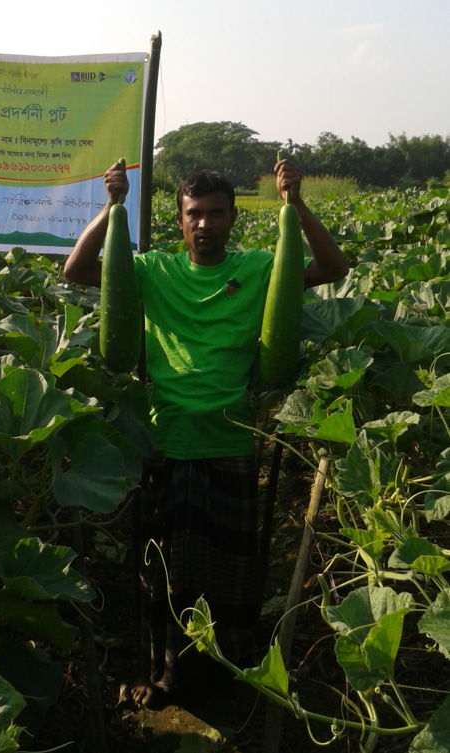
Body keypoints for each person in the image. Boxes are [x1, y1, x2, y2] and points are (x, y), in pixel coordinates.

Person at [64, 159, 349, 706]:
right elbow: (78, 271)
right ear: (180, 221)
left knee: (232, 578)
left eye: (217, 213)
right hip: (165, 444)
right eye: (195, 214)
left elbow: (332, 268)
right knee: (165, 576)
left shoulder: (262, 265)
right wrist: (113, 207)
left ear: (233, 218)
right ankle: (166, 678)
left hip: (231, 444)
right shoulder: (153, 270)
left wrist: (296, 206)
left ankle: (229, 676)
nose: (206, 224)